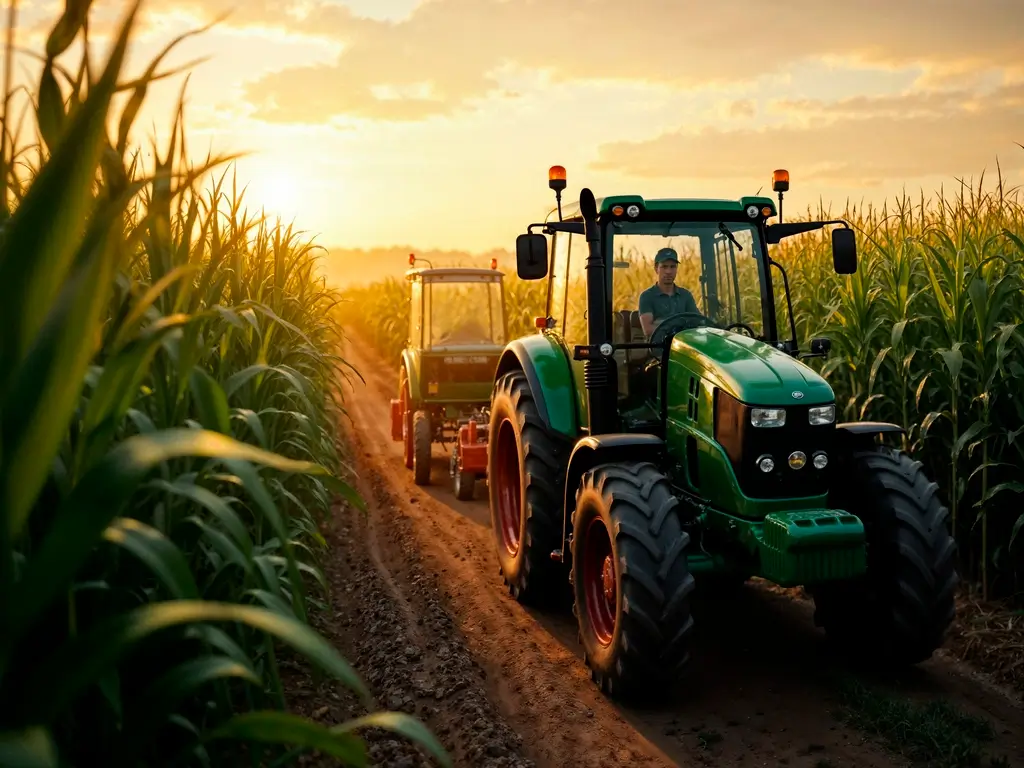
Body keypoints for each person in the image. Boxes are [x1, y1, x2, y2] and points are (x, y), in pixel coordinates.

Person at [638, 247, 700, 337]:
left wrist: (661, 324)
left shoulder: (685, 295)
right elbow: (648, 330)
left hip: (684, 345)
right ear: (656, 268)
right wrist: (680, 325)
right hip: (659, 347)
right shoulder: (647, 296)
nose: (668, 271)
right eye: (664, 267)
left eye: (672, 267)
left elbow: (697, 321)